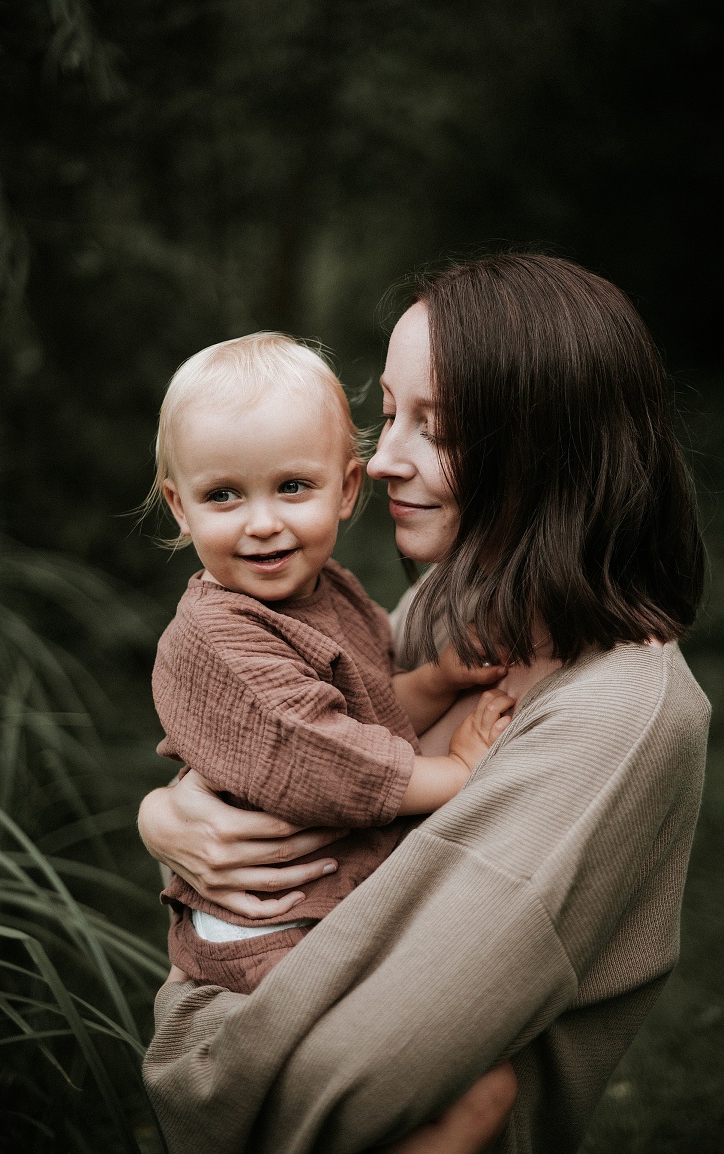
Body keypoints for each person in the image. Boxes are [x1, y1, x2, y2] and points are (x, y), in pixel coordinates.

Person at [140, 253, 709, 1154]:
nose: (383, 456)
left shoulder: (621, 714)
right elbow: (302, 744)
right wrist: (166, 813)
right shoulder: (457, 604)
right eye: (391, 413)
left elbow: (346, 1085)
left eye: (434, 429)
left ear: (547, 445)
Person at [146, 332, 512, 993]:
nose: (261, 523)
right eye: (223, 496)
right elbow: (331, 759)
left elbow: (367, 709)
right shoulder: (221, 637)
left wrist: (435, 680)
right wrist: (460, 772)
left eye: (291, 487)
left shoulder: (330, 590)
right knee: (419, 1038)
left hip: (327, 898)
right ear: (181, 506)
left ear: (345, 489)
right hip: (270, 926)